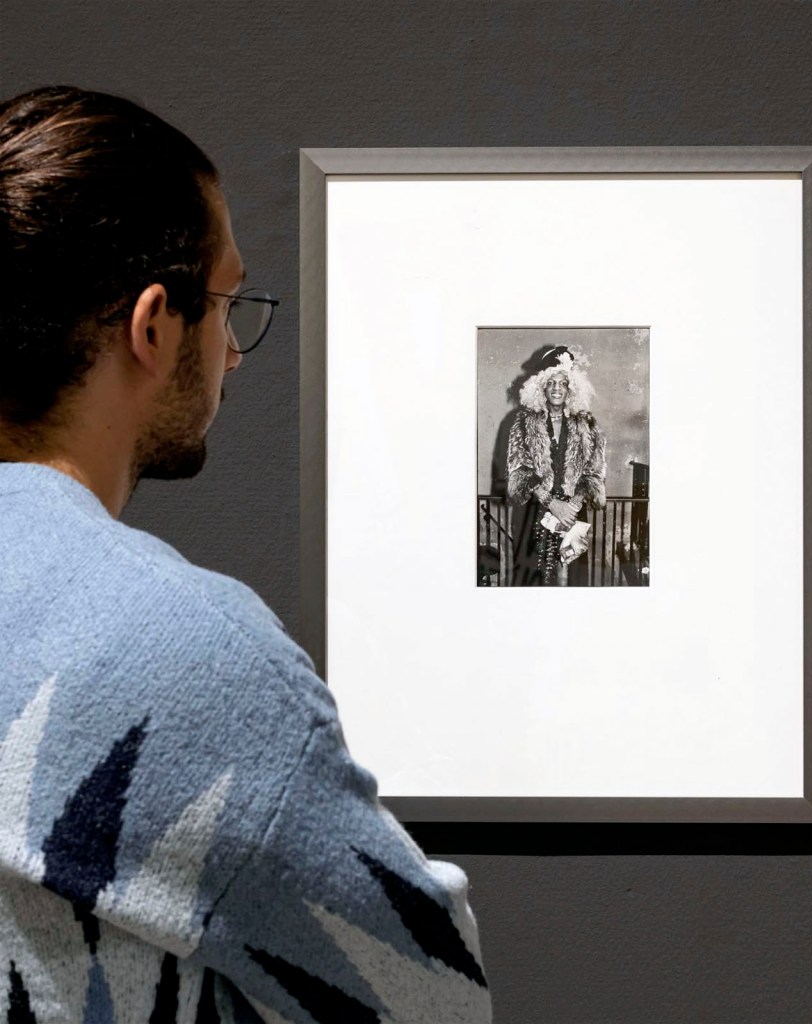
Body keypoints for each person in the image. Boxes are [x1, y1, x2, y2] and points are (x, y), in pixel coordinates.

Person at [0, 86, 490, 1023]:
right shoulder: (186, 651)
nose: (232, 350)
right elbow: (432, 995)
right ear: (153, 326)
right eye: (227, 303)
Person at [506, 346, 607, 586]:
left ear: (571, 388)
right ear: (541, 387)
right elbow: (518, 471)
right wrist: (552, 504)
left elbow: (594, 470)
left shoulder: (586, 423)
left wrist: (572, 505)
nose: (557, 388)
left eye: (563, 383)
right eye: (551, 382)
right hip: (534, 514)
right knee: (534, 580)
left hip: (573, 515)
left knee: (573, 579)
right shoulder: (524, 421)